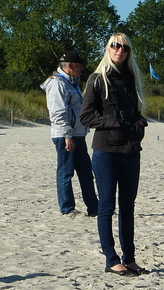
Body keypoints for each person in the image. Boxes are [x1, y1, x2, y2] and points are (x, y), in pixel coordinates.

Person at [80, 33, 149, 277]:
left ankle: (129, 258)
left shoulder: (132, 79)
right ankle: (111, 259)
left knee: (127, 206)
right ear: (108, 49)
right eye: (115, 46)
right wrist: (111, 122)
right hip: (105, 151)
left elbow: (135, 111)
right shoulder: (97, 79)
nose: (120, 50)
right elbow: (85, 116)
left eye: (125, 47)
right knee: (106, 206)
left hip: (130, 150)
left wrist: (139, 122)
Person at [41, 50, 98, 217]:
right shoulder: (57, 84)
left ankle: (94, 207)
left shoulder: (71, 83)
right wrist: (67, 135)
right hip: (65, 136)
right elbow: (58, 112)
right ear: (71, 65)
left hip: (78, 135)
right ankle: (67, 208)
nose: (81, 69)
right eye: (79, 66)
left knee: (86, 172)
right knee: (66, 172)